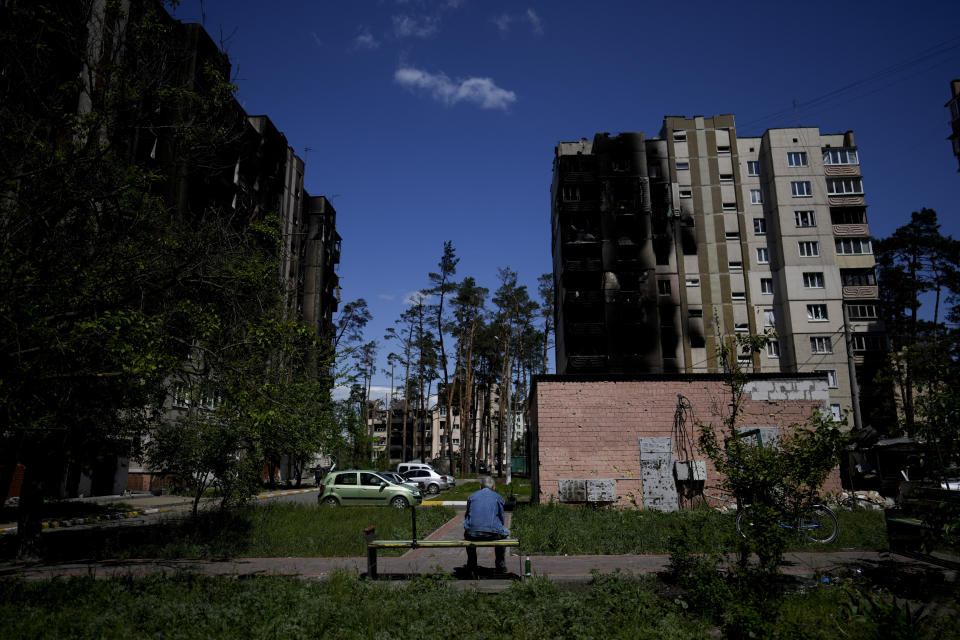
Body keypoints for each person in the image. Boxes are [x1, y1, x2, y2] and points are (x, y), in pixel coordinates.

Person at [463, 475, 509, 574]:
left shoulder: (471, 496)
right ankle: (500, 565)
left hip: (473, 534)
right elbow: (502, 518)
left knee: (467, 535)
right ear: (494, 487)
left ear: (480, 487)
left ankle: (472, 564)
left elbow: (467, 516)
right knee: (503, 536)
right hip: (493, 534)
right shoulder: (498, 497)